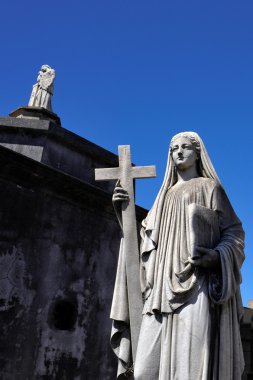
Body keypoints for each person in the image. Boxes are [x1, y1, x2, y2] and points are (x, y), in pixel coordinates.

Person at [111, 132, 245, 380]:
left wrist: (217, 256)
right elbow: (144, 245)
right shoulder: (163, 197)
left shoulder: (210, 188)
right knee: (143, 373)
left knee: (190, 368)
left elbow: (235, 233)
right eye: (174, 148)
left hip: (196, 284)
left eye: (185, 147)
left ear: (198, 153)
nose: (179, 152)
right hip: (159, 290)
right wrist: (124, 213)